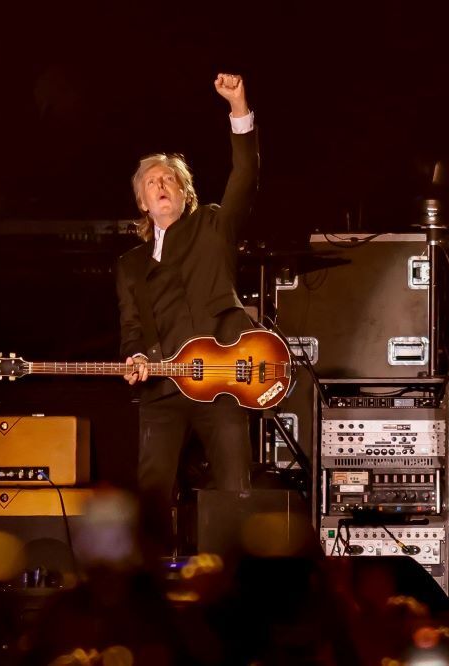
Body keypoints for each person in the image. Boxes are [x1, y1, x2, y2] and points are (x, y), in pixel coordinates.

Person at [116, 73, 260, 544]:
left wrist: (238, 108)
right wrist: (136, 355)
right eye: (152, 182)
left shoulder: (213, 227)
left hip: (221, 381)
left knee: (235, 490)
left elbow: (245, 175)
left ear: (185, 192)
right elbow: (132, 328)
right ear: (142, 201)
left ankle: (234, 576)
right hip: (163, 387)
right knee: (152, 496)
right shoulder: (131, 265)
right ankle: (152, 578)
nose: (161, 185)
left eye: (169, 179)